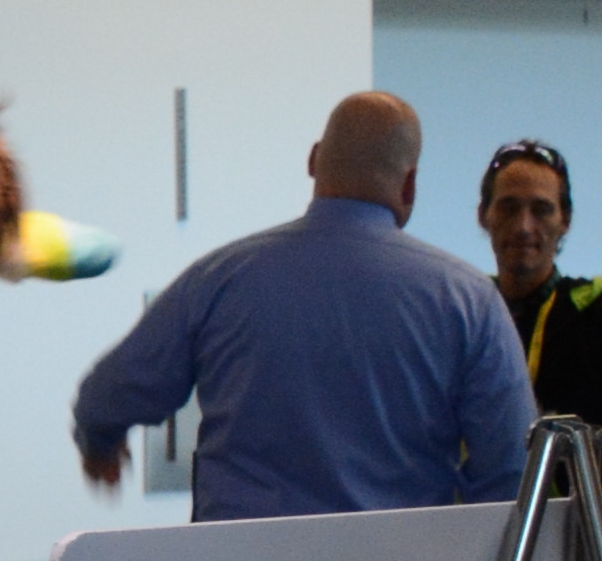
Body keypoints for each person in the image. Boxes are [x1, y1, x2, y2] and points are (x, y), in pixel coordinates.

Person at [68, 89, 531, 520]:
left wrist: (100, 442)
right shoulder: (469, 301)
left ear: (313, 160)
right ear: (410, 184)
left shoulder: (219, 279)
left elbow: (105, 396)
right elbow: (512, 465)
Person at [473, 140, 602, 490]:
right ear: (484, 215)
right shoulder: (470, 313)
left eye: (541, 210)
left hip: (585, 520)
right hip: (490, 517)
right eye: (509, 207)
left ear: (565, 220)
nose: (523, 226)